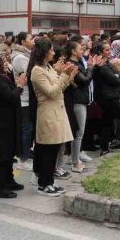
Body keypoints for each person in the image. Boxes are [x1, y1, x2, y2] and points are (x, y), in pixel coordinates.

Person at [28, 38, 77, 197]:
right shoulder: (37, 70)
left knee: (54, 148)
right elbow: (51, 92)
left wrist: (68, 76)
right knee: (48, 149)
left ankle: (49, 180)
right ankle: (44, 184)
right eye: (51, 50)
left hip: (57, 110)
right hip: (48, 112)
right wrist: (64, 75)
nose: (54, 52)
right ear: (44, 51)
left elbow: (60, 87)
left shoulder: (47, 67)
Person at [0, 50, 27, 198]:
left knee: (8, 154)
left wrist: (17, 86)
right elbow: (10, 96)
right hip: (0, 123)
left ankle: (9, 180)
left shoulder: (2, 77)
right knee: (1, 155)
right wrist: (20, 86)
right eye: (3, 60)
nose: (6, 63)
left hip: (7, 121)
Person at [62, 40, 101, 173]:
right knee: (79, 133)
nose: (83, 50)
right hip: (77, 100)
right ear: (73, 51)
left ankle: (74, 158)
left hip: (82, 99)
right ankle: (75, 162)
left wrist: (90, 68)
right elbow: (84, 81)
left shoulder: (77, 63)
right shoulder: (73, 64)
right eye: (80, 48)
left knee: (78, 132)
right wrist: (91, 67)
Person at [10, 33, 34, 170]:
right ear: (23, 41)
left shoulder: (27, 55)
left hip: (29, 98)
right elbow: (29, 75)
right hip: (23, 98)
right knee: (26, 129)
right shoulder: (20, 57)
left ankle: (26, 154)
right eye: (30, 39)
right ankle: (23, 159)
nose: (33, 42)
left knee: (28, 130)